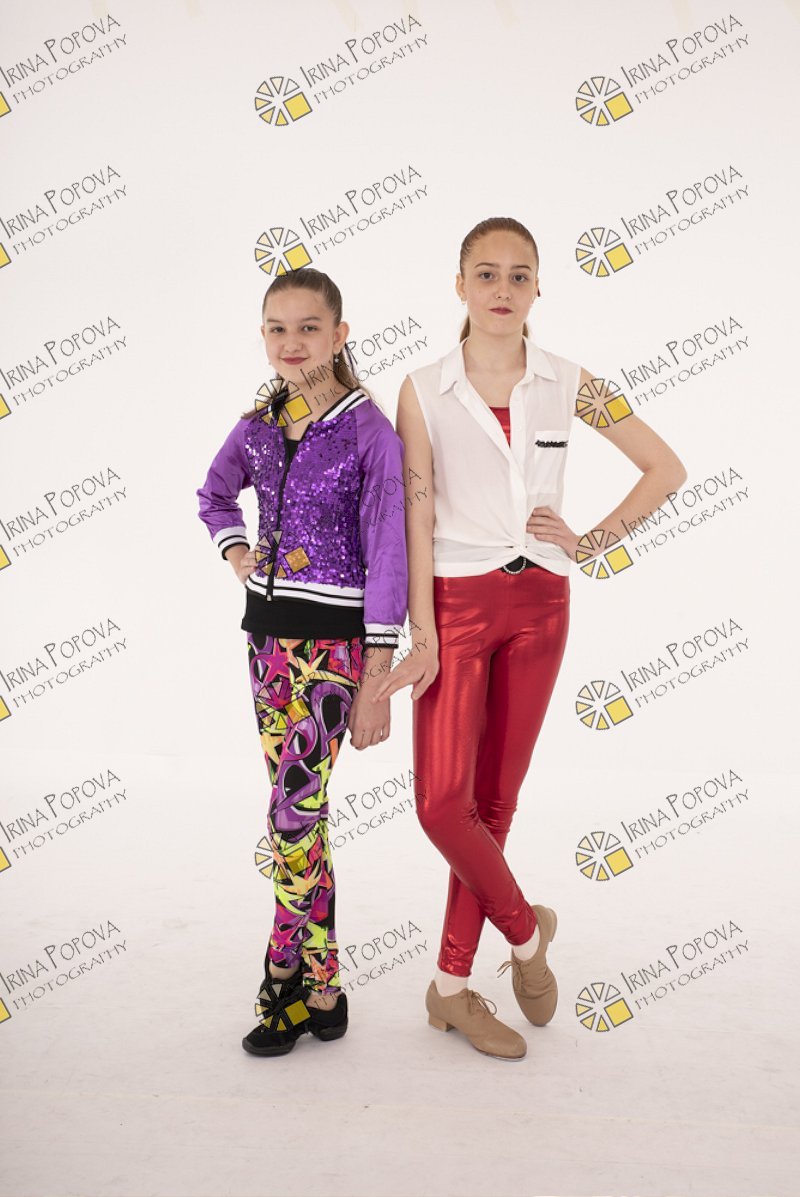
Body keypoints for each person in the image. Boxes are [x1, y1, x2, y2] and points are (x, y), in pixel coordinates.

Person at [373, 216, 686, 1061]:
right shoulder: (421, 389)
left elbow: (665, 468)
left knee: (493, 806)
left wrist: (591, 540)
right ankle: (525, 933)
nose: (502, 289)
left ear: (539, 287)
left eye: (519, 275)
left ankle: (448, 989)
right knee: (442, 804)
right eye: (486, 273)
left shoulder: (572, 380)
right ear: (460, 286)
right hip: (456, 602)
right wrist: (422, 633)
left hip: (542, 602)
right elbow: (415, 515)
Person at [197, 268, 408, 1057]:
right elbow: (213, 495)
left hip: (335, 650)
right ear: (264, 336)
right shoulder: (257, 426)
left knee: (291, 812)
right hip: (266, 644)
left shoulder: (367, 431)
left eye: (309, 327)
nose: (292, 343)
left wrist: (379, 672)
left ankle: (283, 969)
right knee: (302, 815)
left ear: (339, 335)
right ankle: (326, 985)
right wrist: (238, 553)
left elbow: (388, 547)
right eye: (277, 328)